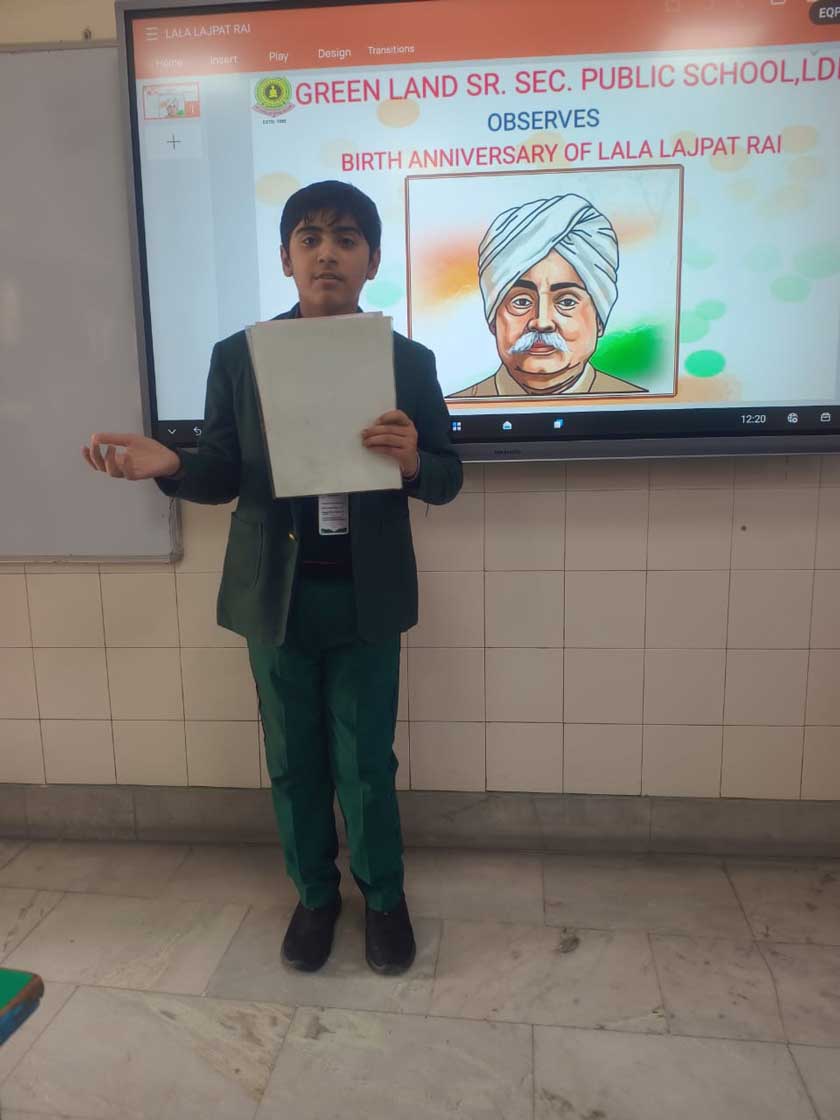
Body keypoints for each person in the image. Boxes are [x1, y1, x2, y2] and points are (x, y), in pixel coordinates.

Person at [83, 180, 463, 976]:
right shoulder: (238, 356)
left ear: (374, 261)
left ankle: (384, 900)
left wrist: (413, 462)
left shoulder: (408, 361)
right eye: (310, 237)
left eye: (347, 239)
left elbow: (448, 477)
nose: (328, 252)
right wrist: (174, 464)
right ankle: (315, 898)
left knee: (366, 762)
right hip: (276, 596)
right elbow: (222, 471)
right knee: (293, 760)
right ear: (286, 257)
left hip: (367, 594)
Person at [450, 192, 647, 398]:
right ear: (493, 319)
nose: (542, 322)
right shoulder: (452, 407)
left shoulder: (638, 404)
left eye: (567, 302)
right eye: (521, 301)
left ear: (599, 319)